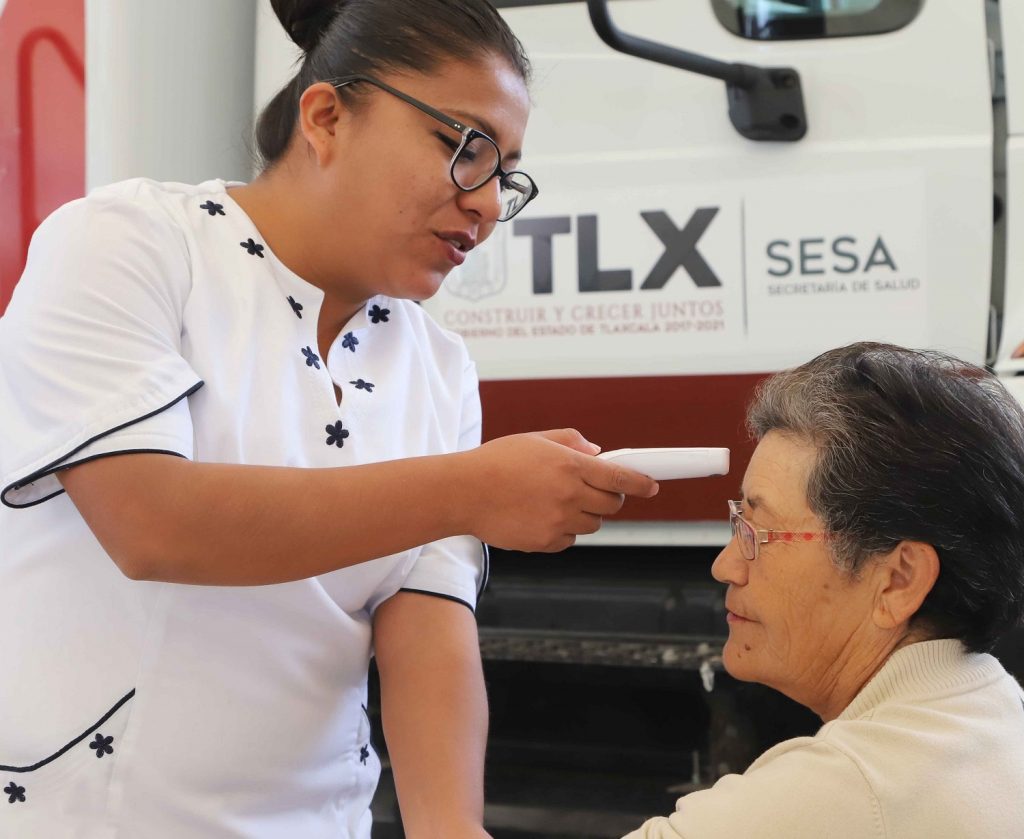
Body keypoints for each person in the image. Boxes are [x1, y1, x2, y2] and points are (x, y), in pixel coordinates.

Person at [0, 2, 659, 837]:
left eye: (507, 174)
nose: (489, 204)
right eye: (465, 148)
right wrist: (469, 489)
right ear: (327, 116)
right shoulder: (130, 244)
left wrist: (451, 827)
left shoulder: (438, 364)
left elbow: (425, 626)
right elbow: (150, 522)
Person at [625, 342, 1024, 839]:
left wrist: (492, 522)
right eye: (737, 522)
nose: (725, 566)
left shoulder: (841, 790)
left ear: (898, 580)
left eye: (756, 533)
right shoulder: (996, 708)